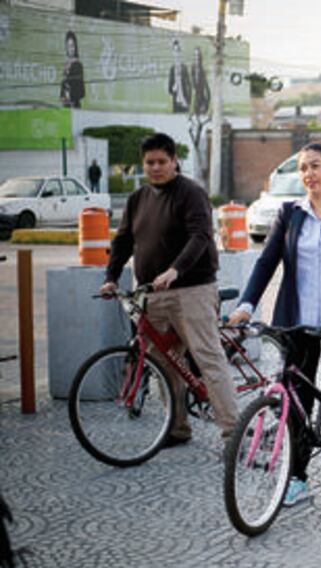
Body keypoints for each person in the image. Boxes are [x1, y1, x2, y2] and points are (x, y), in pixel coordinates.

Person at [228, 143, 321, 515]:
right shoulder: (290, 214)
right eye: (302, 168)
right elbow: (266, 264)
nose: (309, 174)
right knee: (297, 404)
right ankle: (296, 479)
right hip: (296, 324)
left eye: (315, 166)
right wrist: (246, 305)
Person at [100, 133, 238, 447]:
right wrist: (111, 277)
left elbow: (200, 236)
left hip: (192, 289)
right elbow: (122, 242)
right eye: (150, 162)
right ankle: (176, 429)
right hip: (151, 293)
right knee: (163, 363)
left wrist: (176, 270)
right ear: (143, 164)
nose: (156, 167)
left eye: (163, 161)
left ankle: (234, 431)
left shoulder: (191, 193)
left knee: (207, 358)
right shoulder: (137, 199)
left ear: (174, 161)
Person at [60, 31, 85, 108]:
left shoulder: (78, 65)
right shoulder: (66, 64)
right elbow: (63, 85)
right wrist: (63, 96)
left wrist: (70, 96)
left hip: (74, 106)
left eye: (73, 46)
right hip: (66, 106)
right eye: (69, 46)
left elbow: (81, 91)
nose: (71, 49)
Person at [168, 39, 191, 113]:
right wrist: (173, 88)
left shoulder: (184, 68)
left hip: (184, 100)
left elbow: (188, 85)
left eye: (177, 51)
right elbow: (170, 89)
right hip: (176, 101)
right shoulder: (172, 69)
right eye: (174, 51)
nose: (176, 53)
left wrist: (188, 100)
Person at [190, 47, 211, 118]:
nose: (197, 58)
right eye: (195, 56)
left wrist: (205, 104)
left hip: (202, 96)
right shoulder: (192, 68)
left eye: (198, 56)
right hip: (195, 96)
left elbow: (206, 89)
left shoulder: (203, 70)